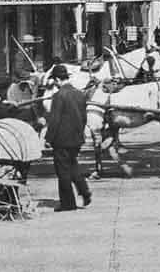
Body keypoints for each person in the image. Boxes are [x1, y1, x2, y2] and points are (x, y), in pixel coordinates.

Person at [44, 65, 92, 212]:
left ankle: (68, 203)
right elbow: (84, 118)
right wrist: (80, 132)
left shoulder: (59, 96)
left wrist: (48, 138)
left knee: (63, 171)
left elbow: (55, 120)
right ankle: (84, 192)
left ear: (58, 79)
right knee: (73, 166)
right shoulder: (79, 94)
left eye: (55, 80)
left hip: (61, 139)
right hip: (76, 138)